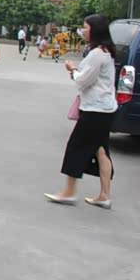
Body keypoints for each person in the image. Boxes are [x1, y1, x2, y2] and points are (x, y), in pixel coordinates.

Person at [45, 14, 117, 209]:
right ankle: (105, 195)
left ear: (95, 30)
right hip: (105, 109)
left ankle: (69, 192)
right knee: (101, 150)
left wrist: (73, 69)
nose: (82, 31)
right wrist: (78, 72)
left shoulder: (97, 54)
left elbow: (82, 81)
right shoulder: (107, 51)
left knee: (76, 147)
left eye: (85, 27)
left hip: (95, 110)